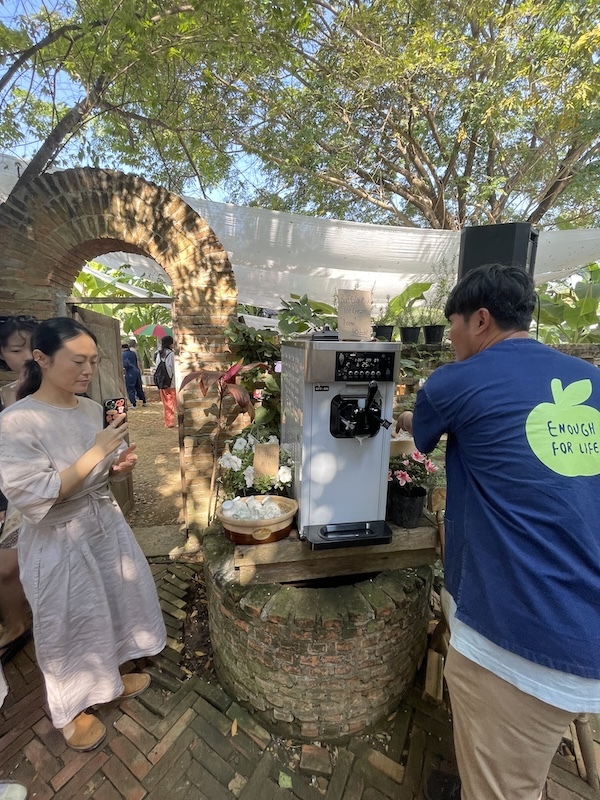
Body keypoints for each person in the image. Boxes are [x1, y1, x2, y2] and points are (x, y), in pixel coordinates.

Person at [396, 265, 600, 800]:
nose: (451, 339)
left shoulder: (457, 380)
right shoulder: (590, 382)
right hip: (586, 621)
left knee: (503, 789)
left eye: (453, 325)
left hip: (522, 633)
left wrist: (410, 412)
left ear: (481, 320)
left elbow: (419, 436)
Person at [0, 318, 166, 752]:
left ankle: (110, 679)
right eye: (77, 361)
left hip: (103, 527)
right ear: (41, 358)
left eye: (93, 360)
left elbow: (97, 474)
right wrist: (96, 451)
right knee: (65, 623)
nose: (88, 370)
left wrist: (116, 468)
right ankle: (70, 712)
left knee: (111, 602)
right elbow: (37, 495)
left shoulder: (91, 410)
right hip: (56, 539)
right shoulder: (17, 422)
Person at [0, 315, 38, 664]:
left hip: (54, 491)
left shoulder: (60, 392)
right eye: (16, 350)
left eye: (32, 347)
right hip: (12, 498)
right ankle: (16, 624)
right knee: (6, 569)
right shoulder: (3, 397)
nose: (26, 356)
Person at [154, 335, 176, 428]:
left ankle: (168, 422)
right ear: (171, 344)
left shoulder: (158, 354)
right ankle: (172, 421)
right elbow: (173, 369)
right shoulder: (171, 354)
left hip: (162, 382)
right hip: (171, 382)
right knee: (173, 402)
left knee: (166, 403)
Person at [121, 343, 146, 407]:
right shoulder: (133, 353)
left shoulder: (123, 354)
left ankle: (133, 403)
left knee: (130, 388)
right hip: (137, 371)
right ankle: (144, 401)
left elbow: (125, 364)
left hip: (130, 372)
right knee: (139, 387)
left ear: (122, 348)